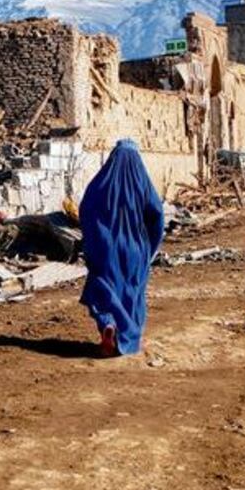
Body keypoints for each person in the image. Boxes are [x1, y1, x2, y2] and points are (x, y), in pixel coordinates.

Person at [79, 139, 164, 357]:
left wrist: (94, 242)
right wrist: (149, 249)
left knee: (102, 289)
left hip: (105, 249)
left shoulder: (100, 183)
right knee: (132, 293)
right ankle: (127, 337)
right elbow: (157, 217)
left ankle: (108, 323)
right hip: (136, 250)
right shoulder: (142, 182)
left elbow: (85, 211)